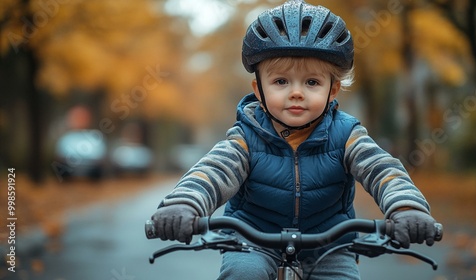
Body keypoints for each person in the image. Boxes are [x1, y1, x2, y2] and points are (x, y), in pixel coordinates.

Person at [150, 1, 439, 279]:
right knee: (243, 273)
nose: (296, 93)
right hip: (253, 241)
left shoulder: (347, 135)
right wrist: (185, 205)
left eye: (312, 82)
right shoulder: (246, 138)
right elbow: (213, 171)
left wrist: (406, 208)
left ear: (333, 90)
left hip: (329, 244)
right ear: (259, 89)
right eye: (280, 81)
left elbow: (382, 170)